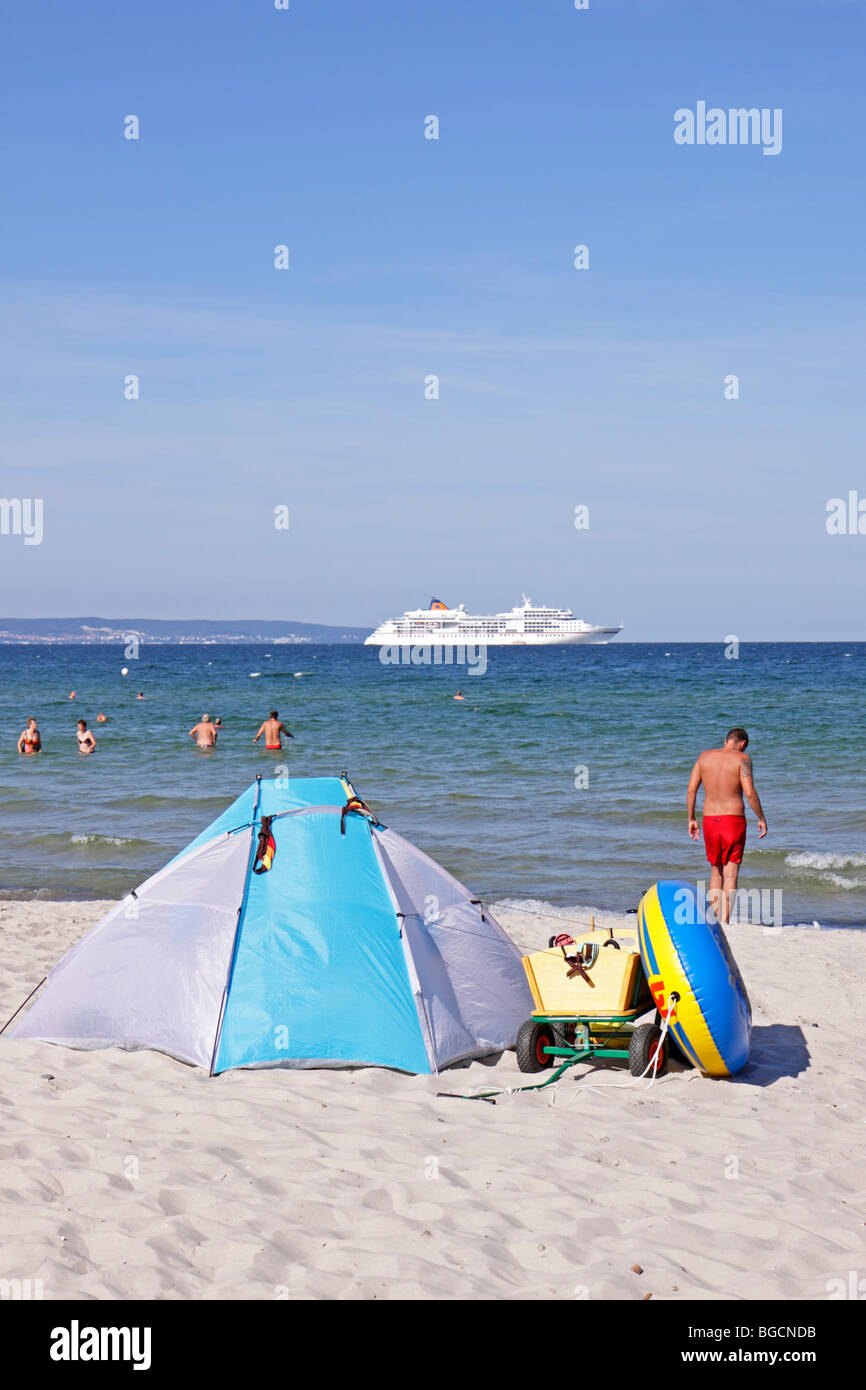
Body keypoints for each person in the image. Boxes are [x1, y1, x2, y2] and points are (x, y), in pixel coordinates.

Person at [687, 727, 767, 924]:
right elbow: (749, 793)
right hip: (733, 820)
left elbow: (691, 791)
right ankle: (725, 919)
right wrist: (761, 817)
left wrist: (691, 818)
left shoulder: (704, 757)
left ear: (726, 740)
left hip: (710, 820)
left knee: (715, 871)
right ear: (742, 744)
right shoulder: (743, 759)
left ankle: (714, 919)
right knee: (730, 874)